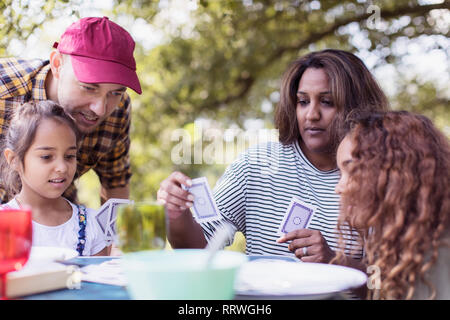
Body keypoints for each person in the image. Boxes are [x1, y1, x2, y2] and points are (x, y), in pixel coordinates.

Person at [158, 49, 389, 267]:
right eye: (303, 101)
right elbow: (199, 251)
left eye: (327, 102)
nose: (312, 114)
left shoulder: (381, 176)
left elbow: (392, 284)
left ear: (356, 107)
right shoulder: (256, 164)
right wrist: (177, 214)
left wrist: (334, 261)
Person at [0, 16, 142, 204]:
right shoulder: (4, 90)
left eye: (115, 92)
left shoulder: (117, 109)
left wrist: (114, 233)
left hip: (59, 217)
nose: (100, 109)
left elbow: (115, 182)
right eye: (89, 88)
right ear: (58, 65)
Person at [335, 111, 450, 299]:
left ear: (394, 174)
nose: (339, 188)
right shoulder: (393, 241)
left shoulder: (437, 252)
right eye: (340, 174)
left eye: (352, 170)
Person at [0, 100, 107, 256]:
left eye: (69, 156)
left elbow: (101, 278)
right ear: (14, 159)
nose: (62, 167)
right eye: (46, 156)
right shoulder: (3, 223)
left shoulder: (89, 223)